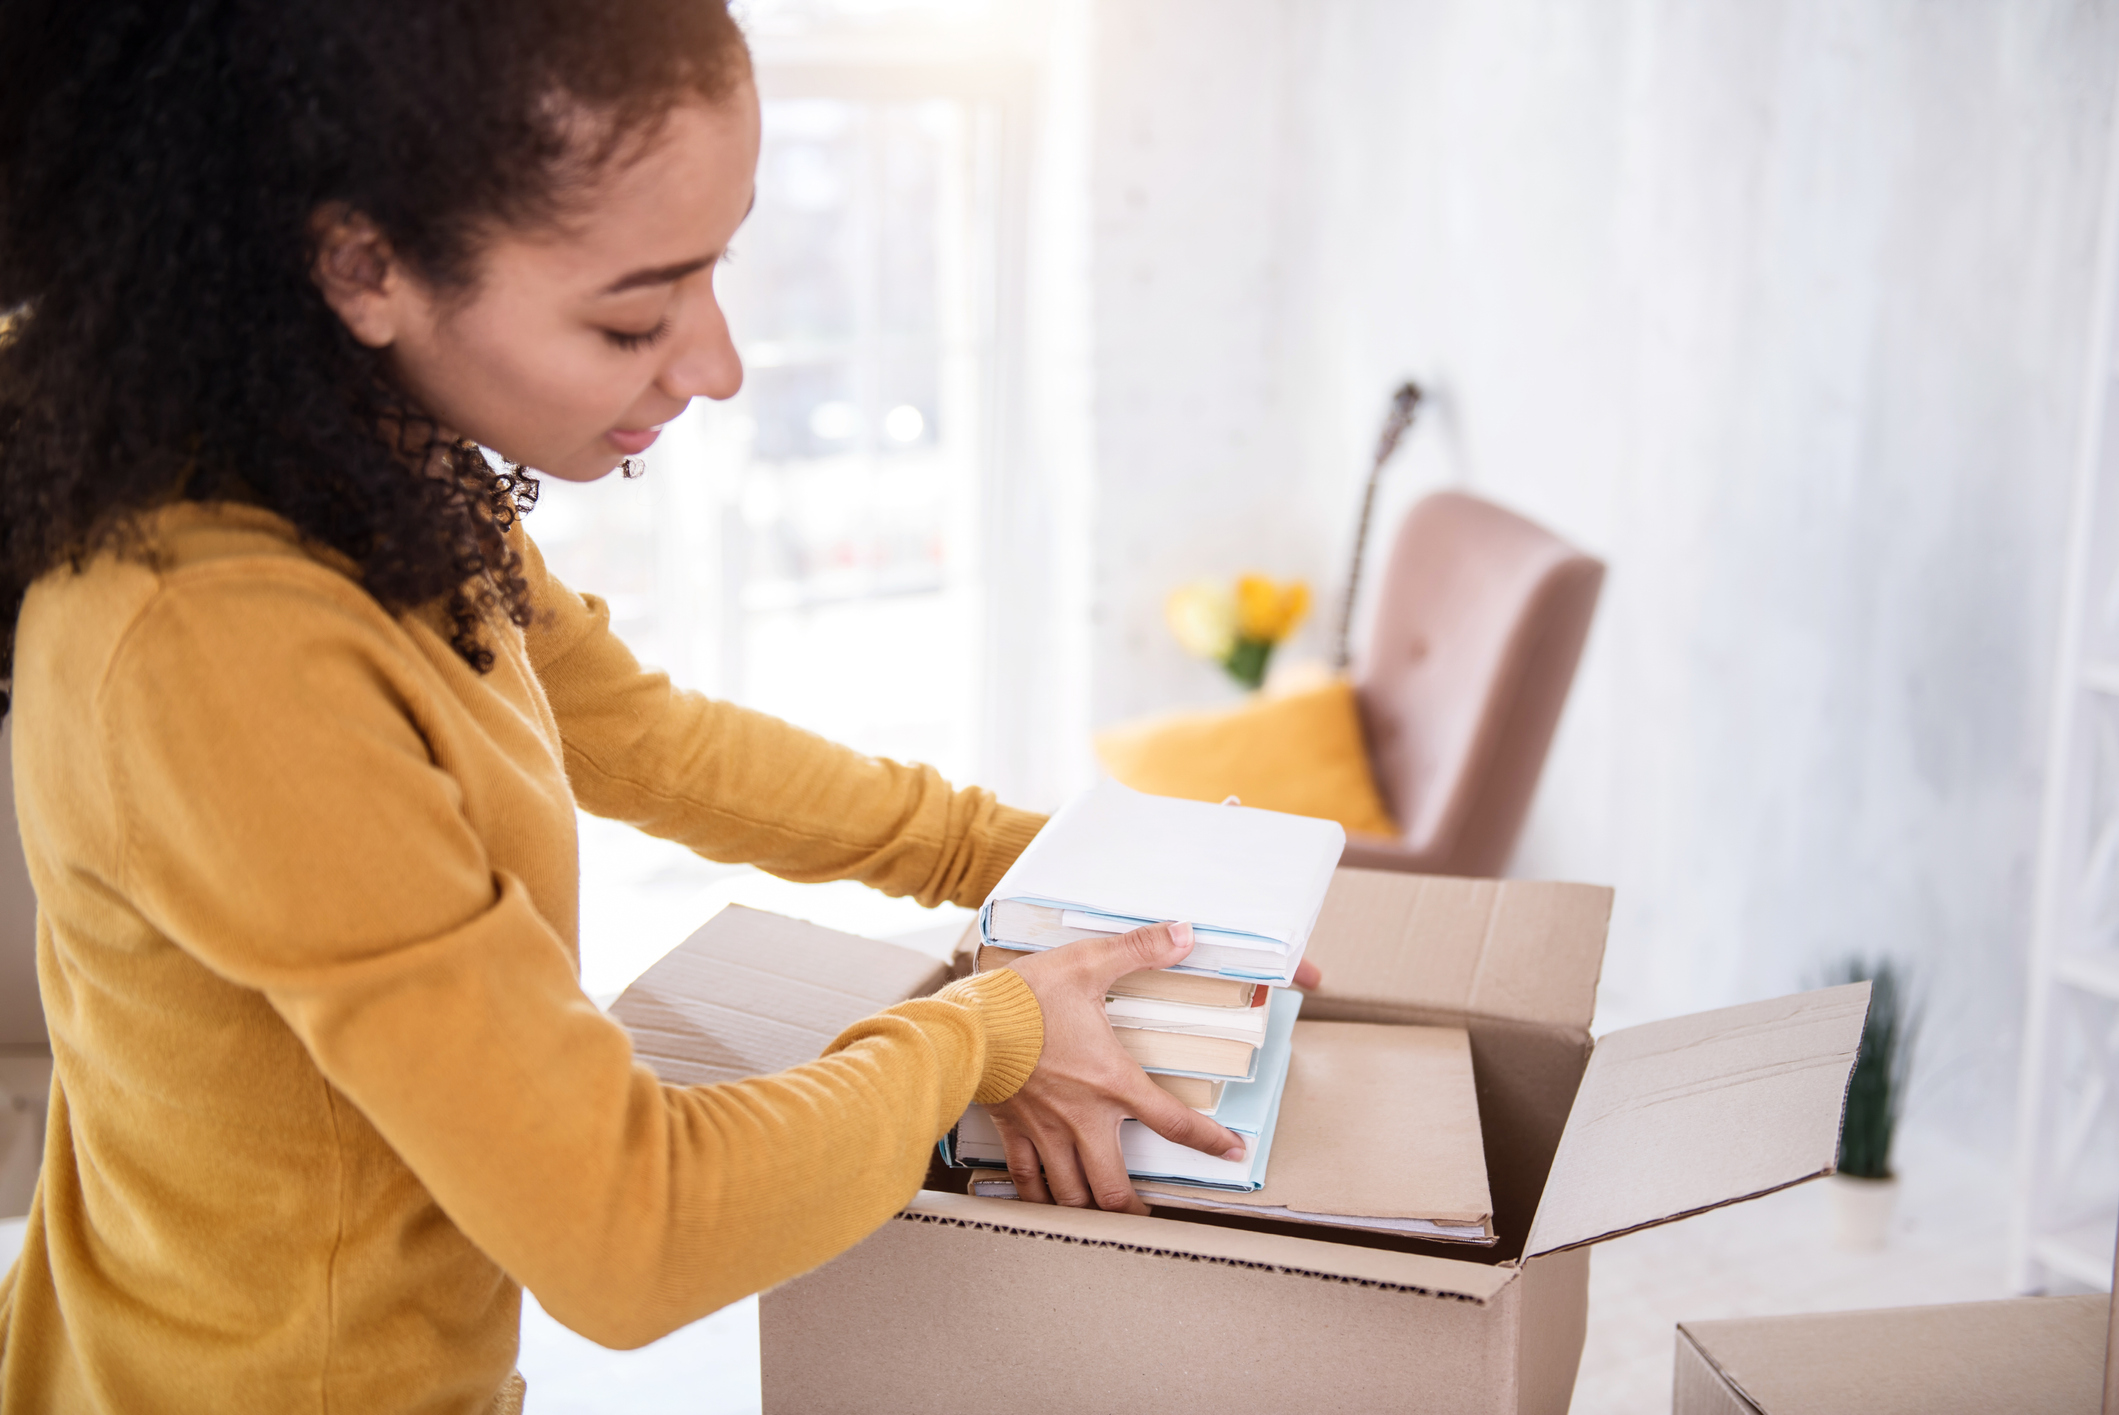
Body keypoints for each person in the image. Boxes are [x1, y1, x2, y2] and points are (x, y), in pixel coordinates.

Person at [0, 3, 1318, 1410]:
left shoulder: (371, 473)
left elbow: (647, 739)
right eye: (634, 313)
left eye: (714, 270)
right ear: (360, 264)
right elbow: (631, 1231)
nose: (717, 365)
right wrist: (990, 1031)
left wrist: (1037, 862)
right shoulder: (219, 648)